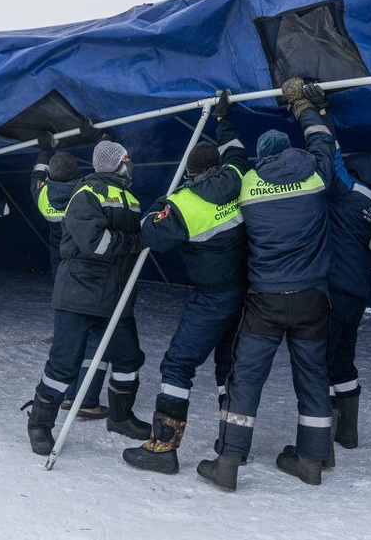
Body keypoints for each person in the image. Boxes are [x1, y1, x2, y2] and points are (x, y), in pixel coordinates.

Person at [198, 77, 334, 491]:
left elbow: (233, 155)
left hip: (266, 300)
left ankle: (228, 463)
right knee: (312, 376)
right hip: (312, 298)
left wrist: (223, 119)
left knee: (247, 378)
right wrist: (304, 108)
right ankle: (310, 462)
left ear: (263, 158)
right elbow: (323, 141)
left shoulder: (248, 185)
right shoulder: (315, 177)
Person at [123, 91, 248, 475]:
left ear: (191, 173)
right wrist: (224, 119)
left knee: (178, 365)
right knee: (230, 366)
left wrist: (162, 202)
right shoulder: (239, 177)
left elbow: (151, 232)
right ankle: (232, 447)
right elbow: (235, 149)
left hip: (212, 298)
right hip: (246, 291)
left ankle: (163, 447)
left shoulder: (183, 205)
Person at [25, 140, 149, 455]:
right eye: (127, 159)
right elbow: (96, 242)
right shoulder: (86, 195)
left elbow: (134, 238)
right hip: (79, 295)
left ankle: (120, 416)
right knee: (64, 364)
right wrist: (134, 241)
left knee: (128, 359)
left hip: (117, 297)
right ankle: (40, 423)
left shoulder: (129, 198)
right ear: (119, 163)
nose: (130, 164)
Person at [323, 126, 371, 454]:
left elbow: (331, 157)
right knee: (343, 359)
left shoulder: (348, 194)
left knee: (319, 360)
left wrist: (321, 116)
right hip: (356, 293)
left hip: (335, 288)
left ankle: (316, 441)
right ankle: (347, 433)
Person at [31, 135, 108, 420]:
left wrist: (45, 150)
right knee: (95, 334)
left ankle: (62, 395)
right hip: (90, 268)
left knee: (69, 333)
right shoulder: (87, 193)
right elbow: (105, 175)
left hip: (61, 270)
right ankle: (85, 399)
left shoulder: (42, 195)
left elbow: (37, 174)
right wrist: (104, 141)